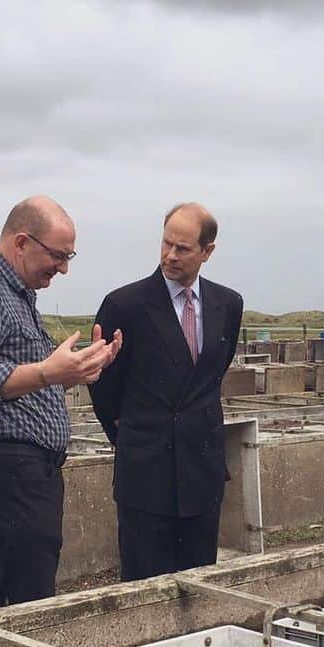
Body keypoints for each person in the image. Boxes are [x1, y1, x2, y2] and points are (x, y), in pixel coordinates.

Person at [0, 195, 122, 609]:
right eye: (58, 255)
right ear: (22, 243)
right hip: (5, 475)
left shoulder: (17, 293)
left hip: (24, 475)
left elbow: (21, 387)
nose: (63, 268)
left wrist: (75, 371)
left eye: (69, 256)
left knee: (23, 597)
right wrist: (47, 373)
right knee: (21, 605)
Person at [89, 202, 243, 581]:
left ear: (207, 251)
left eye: (183, 248)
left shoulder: (228, 304)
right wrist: (131, 439)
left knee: (199, 584)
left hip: (201, 470)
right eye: (166, 243)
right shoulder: (124, 305)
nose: (170, 255)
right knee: (143, 587)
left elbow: (210, 376)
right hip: (146, 471)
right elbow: (103, 387)